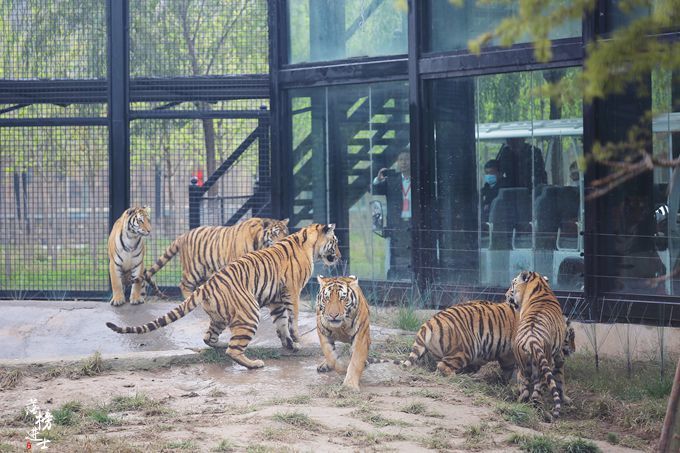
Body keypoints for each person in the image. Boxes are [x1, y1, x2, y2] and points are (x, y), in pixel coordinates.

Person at [373, 150, 412, 280]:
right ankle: (395, 279)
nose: (403, 162)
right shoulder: (392, 180)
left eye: (406, 159)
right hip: (397, 222)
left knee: (412, 250)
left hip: (413, 221)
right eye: (400, 160)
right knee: (396, 252)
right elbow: (375, 190)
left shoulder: (419, 179)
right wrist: (378, 180)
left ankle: (413, 276)